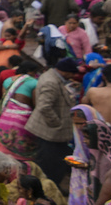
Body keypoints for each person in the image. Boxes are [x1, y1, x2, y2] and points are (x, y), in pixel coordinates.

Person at [26, 58, 82, 186]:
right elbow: (44, 106)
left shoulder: (51, 76)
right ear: (65, 72)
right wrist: (57, 123)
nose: (73, 76)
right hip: (49, 131)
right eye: (72, 73)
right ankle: (49, 188)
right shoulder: (51, 82)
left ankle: (52, 185)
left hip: (49, 129)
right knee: (50, 163)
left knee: (56, 159)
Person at [0, 60, 40, 162]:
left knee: (6, 147)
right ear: (29, 71)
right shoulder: (34, 83)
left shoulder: (8, 81)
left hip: (5, 119)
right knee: (25, 152)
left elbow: (4, 100)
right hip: (22, 120)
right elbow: (36, 105)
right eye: (34, 72)